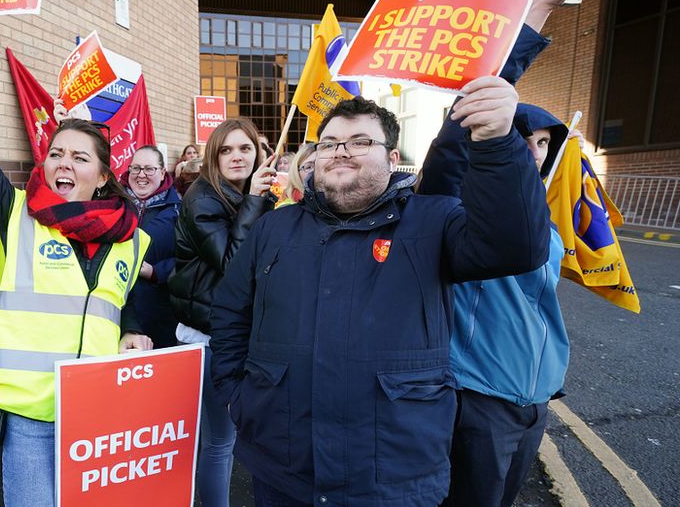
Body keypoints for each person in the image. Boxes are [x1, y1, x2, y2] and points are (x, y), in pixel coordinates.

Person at [209, 82, 552, 506]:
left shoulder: (434, 220)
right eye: (330, 142)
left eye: (360, 141)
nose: (341, 150)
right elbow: (230, 313)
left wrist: (496, 144)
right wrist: (237, 398)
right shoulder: (273, 228)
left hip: (395, 475)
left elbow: (514, 247)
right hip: (284, 468)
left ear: (392, 158)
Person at [0, 0, 154, 507]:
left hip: (100, 413)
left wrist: (131, 333)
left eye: (80, 157)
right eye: (55, 153)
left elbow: (115, 307)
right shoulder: (15, 212)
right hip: (31, 417)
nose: (64, 164)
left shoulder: (134, 236)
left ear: (103, 177)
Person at [417, 0, 597, 505]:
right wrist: (543, 4)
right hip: (478, 400)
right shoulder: (453, 205)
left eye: (545, 143)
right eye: (522, 137)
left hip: (534, 400)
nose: (535, 151)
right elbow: (455, 142)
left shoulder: (542, 214)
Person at [169, 117, 277, 507]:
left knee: (219, 439)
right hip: (209, 336)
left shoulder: (243, 195)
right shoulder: (203, 198)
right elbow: (233, 265)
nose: (236, 157)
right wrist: (255, 202)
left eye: (245, 148)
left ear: (259, 153)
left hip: (235, 332)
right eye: (226, 149)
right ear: (213, 157)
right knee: (219, 442)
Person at [123, 146, 182, 349]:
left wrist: (156, 272)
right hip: (118, 316)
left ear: (162, 172)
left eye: (149, 169)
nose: (141, 175)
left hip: (160, 315)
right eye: (135, 168)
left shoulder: (179, 210)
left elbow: (190, 258)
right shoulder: (112, 204)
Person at [278, 142, 317, 207]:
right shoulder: (286, 208)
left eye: (320, 165)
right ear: (297, 173)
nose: (316, 171)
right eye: (309, 167)